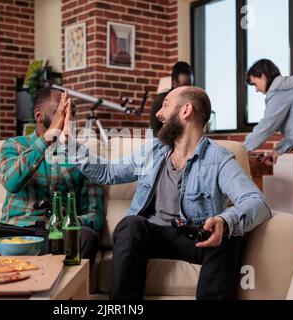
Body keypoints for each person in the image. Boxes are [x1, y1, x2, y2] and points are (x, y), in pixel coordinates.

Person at [62, 86, 271, 300]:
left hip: (192, 236)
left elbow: (257, 202)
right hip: (149, 234)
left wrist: (224, 221)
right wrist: (70, 143)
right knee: (130, 224)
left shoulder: (219, 159)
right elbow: (107, 172)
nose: (158, 114)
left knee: (227, 234)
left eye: (165, 105)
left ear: (186, 110)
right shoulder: (154, 151)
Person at [0, 87, 104, 267]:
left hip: (55, 235)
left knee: (87, 237)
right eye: (59, 112)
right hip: (12, 232)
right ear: (39, 116)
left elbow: (95, 215)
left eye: (71, 112)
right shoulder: (14, 145)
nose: (66, 117)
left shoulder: (81, 155)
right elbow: (11, 182)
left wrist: (69, 220)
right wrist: (47, 137)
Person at [244, 59, 293, 252]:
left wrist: (239, 150)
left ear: (263, 75)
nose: (256, 90)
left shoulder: (280, 92)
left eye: (255, 83)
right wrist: (277, 151)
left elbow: (266, 127)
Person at [150, 61, 193, 136]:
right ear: (174, 84)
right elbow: (154, 132)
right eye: (184, 85)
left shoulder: (191, 102)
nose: (188, 89)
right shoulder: (161, 100)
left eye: (190, 85)